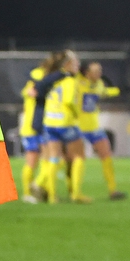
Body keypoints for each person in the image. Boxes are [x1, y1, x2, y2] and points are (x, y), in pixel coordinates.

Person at [36, 52, 89, 204]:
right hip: (65, 122)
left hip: (50, 122)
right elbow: (70, 101)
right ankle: (76, 194)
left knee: (54, 157)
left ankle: (52, 196)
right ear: (67, 64)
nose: (78, 65)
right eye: (75, 62)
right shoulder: (69, 80)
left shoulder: (53, 79)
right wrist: (77, 114)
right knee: (79, 156)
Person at [19, 52, 65, 203]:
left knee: (48, 158)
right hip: (32, 126)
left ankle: (40, 189)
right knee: (34, 160)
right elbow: (31, 93)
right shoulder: (38, 80)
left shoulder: (36, 80)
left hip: (39, 124)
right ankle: (29, 192)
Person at [77, 61, 127, 200]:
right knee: (75, 160)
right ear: (87, 73)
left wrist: (118, 90)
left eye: (100, 70)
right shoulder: (77, 83)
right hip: (78, 127)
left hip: (94, 127)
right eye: (96, 71)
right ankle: (73, 191)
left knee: (106, 155)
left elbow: (103, 93)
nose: (99, 73)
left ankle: (113, 190)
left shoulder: (99, 84)